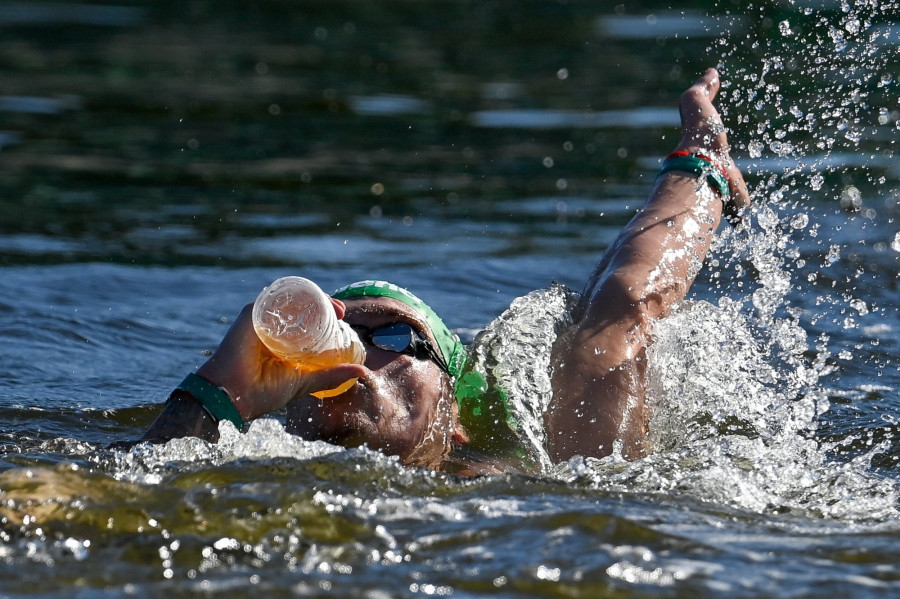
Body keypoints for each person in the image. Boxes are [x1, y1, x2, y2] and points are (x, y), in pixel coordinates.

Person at [140, 69, 750, 473]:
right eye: (333, 342)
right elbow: (129, 498)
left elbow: (623, 300)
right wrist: (219, 393)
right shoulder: (248, 483)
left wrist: (699, 166)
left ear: (455, 415)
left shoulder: (564, 476)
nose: (357, 358)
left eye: (397, 337)